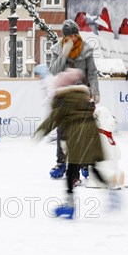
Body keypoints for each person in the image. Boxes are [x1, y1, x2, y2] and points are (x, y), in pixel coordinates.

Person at [35, 68, 117, 219]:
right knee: (92, 167)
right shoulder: (85, 96)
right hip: (91, 135)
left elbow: (53, 119)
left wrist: (39, 133)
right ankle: (111, 193)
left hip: (76, 136)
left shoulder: (62, 99)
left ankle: (69, 204)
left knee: (71, 170)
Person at [48, 19, 100, 179]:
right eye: (69, 36)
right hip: (64, 96)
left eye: (74, 35)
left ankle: (84, 163)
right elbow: (54, 71)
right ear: (64, 37)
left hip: (82, 96)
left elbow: (92, 72)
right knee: (62, 130)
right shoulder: (57, 49)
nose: (73, 39)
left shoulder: (86, 50)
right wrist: (64, 53)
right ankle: (61, 162)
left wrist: (95, 91)